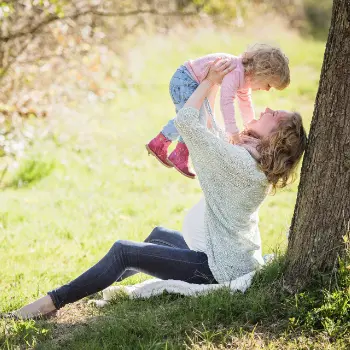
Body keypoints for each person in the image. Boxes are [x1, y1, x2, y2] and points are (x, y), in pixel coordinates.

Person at [2, 59, 306, 320]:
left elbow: (187, 122)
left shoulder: (241, 163)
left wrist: (210, 81)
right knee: (157, 235)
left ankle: (49, 303)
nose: (267, 108)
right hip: (225, 254)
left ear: (276, 138)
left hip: (217, 268)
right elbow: (217, 133)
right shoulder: (251, 160)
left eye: (275, 116)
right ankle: (89, 285)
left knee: (124, 251)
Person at [146, 44, 290, 179]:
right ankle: (173, 150)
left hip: (189, 81)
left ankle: (166, 145)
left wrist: (249, 124)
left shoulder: (244, 77)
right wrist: (232, 131)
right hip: (185, 80)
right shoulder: (235, 71)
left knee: (193, 118)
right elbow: (226, 102)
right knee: (192, 118)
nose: (266, 89)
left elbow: (245, 103)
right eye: (269, 85)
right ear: (262, 72)